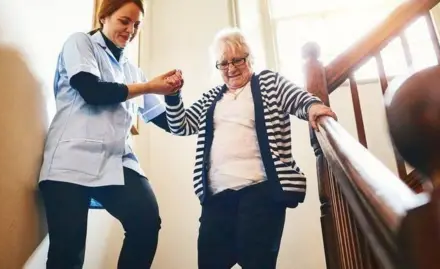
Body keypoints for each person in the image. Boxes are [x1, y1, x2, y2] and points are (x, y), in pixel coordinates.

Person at [163, 28, 337, 269]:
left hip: (260, 191)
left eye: (237, 60)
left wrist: (313, 108)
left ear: (250, 58)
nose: (231, 68)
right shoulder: (213, 96)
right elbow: (181, 125)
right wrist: (173, 96)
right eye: (223, 63)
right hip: (217, 196)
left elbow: (298, 99)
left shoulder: (268, 82)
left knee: (257, 263)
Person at [37, 0, 182, 268]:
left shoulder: (131, 69)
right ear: (104, 17)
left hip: (116, 160)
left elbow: (170, 122)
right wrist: (150, 86)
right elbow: (92, 91)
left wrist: (173, 94)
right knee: (68, 253)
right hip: (70, 160)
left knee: (146, 222)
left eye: (136, 24)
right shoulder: (80, 43)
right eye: (124, 21)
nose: (130, 30)